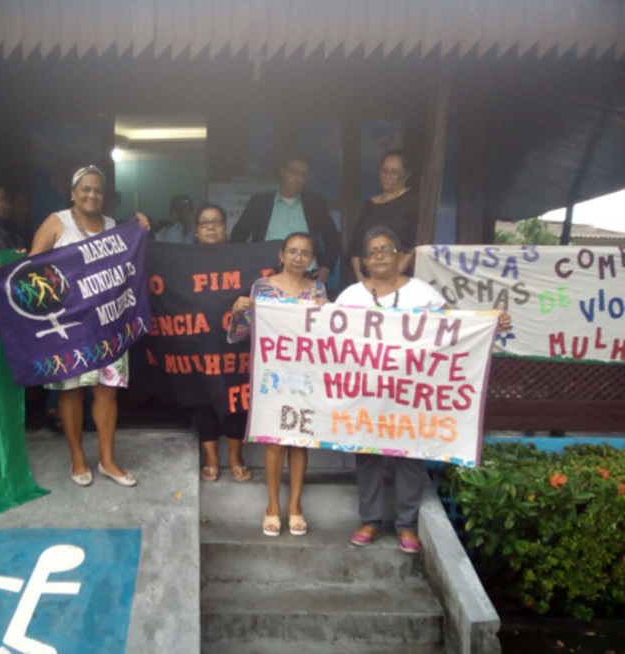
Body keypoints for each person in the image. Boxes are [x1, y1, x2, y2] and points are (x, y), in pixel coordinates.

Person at [336, 226, 510, 554]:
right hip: (367, 391)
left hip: (412, 392)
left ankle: (406, 524)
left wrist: (491, 323)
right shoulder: (350, 297)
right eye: (372, 252)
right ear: (365, 261)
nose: (378, 256)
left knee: (410, 455)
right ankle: (370, 520)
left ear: (401, 257)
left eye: (385, 250)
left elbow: (452, 331)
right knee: (368, 456)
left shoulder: (423, 294)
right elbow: (329, 335)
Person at [29, 165, 150, 488]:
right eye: (85, 189)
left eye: (98, 190)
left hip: (108, 324)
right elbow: (32, 268)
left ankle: (107, 461)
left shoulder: (112, 226)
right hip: (68, 326)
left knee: (107, 391)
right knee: (71, 392)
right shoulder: (57, 222)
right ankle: (78, 457)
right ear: (73, 192)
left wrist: (139, 228)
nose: (91, 195)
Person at [228, 232, 328, 536]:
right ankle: (272, 506)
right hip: (271, 376)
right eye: (293, 251)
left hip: (306, 376)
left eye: (305, 253)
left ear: (312, 259)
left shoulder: (318, 290)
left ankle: (295, 506)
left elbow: (327, 338)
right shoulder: (261, 288)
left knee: (299, 439)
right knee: (274, 441)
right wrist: (237, 313)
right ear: (281, 255)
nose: (298, 257)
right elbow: (241, 334)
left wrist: (328, 312)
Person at [191, 203, 251, 483]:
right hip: (197, 340)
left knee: (237, 395)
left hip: (235, 340)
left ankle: (236, 457)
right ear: (196, 231)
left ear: (226, 229)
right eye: (205, 223)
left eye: (217, 222)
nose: (211, 227)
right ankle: (211, 458)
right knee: (202, 396)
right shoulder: (182, 260)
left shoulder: (242, 258)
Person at [230, 152, 341, 284]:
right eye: (294, 172)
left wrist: (326, 268)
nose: (298, 178)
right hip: (266, 275)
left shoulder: (315, 203)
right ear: (282, 171)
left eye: (303, 174)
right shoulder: (260, 203)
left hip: (307, 275)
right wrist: (249, 268)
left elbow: (333, 239)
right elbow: (237, 237)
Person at [347, 149, 417, 283]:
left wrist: (392, 275)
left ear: (407, 175)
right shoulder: (370, 205)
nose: (388, 176)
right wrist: (359, 276)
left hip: (398, 278)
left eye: (394, 172)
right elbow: (356, 246)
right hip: (366, 279)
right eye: (384, 171)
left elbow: (414, 246)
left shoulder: (412, 202)